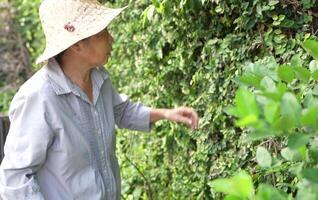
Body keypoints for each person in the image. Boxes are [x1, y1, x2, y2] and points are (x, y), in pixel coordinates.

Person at [0, 0, 199, 199]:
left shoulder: (98, 78)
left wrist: (166, 114)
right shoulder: (38, 97)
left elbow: (120, 111)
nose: (111, 39)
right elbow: (16, 178)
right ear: (77, 44)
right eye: (103, 33)